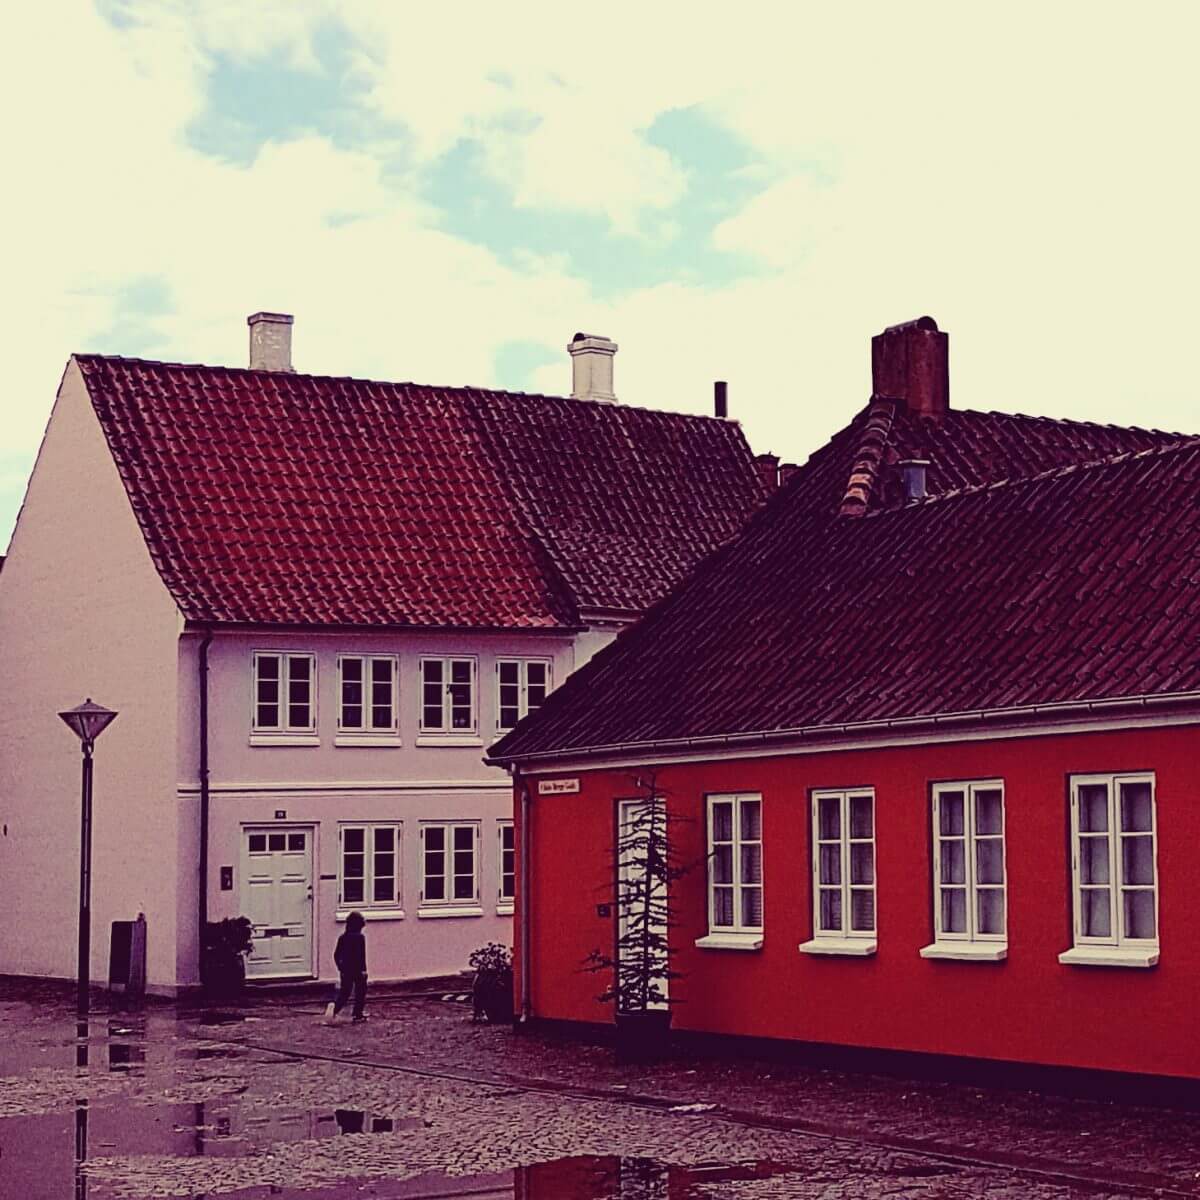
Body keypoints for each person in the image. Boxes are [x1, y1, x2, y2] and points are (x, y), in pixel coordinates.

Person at [324, 911, 368, 1023]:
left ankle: (334, 1010)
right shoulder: (360, 938)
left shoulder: (343, 937)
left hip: (346, 970)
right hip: (357, 970)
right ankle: (357, 1014)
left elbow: (336, 954)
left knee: (345, 992)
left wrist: (340, 967)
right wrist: (363, 970)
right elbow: (361, 956)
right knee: (360, 992)